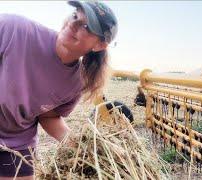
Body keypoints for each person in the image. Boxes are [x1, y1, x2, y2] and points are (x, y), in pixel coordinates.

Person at [0, 1, 118, 179]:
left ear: (99, 45)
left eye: (86, 26)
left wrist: (85, 149)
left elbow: (48, 115)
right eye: (75, 15)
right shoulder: (14, 29)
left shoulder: (77, 83)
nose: (73, 24)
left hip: (17, 146)